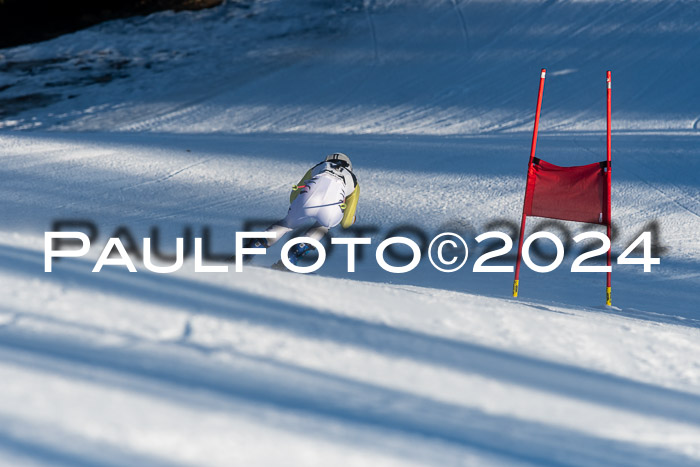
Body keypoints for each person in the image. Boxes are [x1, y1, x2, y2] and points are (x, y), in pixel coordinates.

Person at [247, 153, 359, 268]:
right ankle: (292, 257)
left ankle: (249, 251)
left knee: (287, 224)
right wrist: (352, 219)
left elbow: (293, 196)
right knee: (323, 226)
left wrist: (299, 208)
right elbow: (346, 222)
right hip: (331, 208)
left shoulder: (320, 166)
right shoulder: (353, 181)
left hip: (308, 198)